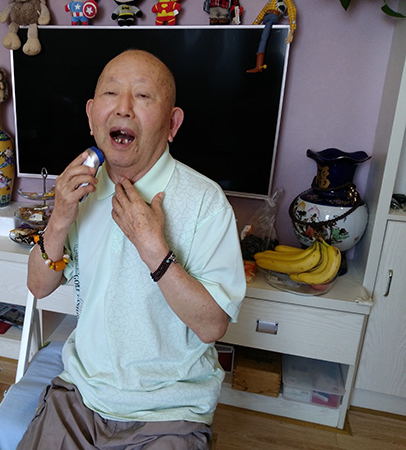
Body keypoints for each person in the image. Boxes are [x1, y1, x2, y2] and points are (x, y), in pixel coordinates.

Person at [20, 49, 246, 449]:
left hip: (170, 410)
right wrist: (59, 218)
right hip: (81, 394)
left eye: (142, 96)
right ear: (91, 115)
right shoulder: (81, 191)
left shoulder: (206, 202)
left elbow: (212, 326)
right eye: (111, 93)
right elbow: (39, 286)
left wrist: (152, 246)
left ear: (172, 124)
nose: (123, 108)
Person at [247, 0, 297, 73]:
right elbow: (263, 12)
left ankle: (259, 66)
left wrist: (292, 30)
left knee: (264, 38)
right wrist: (254, 25)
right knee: (258, 37)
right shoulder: (271, 1)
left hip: (272, 17)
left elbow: (292, 10)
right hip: (266, 17)